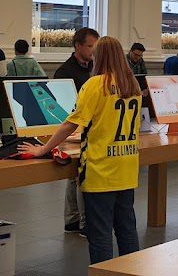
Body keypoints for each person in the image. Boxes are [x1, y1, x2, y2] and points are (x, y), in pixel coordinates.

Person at [18, 36, 141, 264]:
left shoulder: (95, 85)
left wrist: (44, 149)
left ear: (99, 56)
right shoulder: (132, 85)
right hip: (127, 167)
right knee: (127, 229)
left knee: (100, 233)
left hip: (101, 168)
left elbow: (70, 124)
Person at [55, 26, 100, 235]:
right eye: (90, 46)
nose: (93, 51)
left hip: (88, 127)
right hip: (73, 127)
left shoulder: (94, 69)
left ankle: (73, 219)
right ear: (77, 46)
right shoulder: (65, 72)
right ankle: (80, 221)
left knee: (76, 173)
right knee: (78, 174)